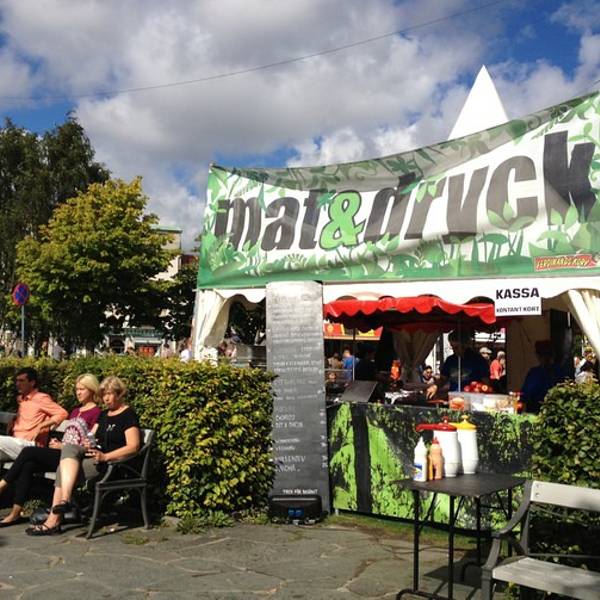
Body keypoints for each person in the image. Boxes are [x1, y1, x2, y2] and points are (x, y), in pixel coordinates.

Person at [26, 375, 141, 536]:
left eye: (109, 394)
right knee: (69, 451)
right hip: (95, 457)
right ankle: (64, 502)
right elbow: (91, 436)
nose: (106, 399)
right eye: (103, 395)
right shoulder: (104, 415)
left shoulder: (127, 415)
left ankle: (53, 521)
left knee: (61, 469)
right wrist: (89, 442)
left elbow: (133, 446)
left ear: (119, 393)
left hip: (113, 464)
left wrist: (106, 456)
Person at [0, 374, 101, 527]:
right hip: (62, 453)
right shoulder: (75, 411)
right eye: (77, 389)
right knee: (28, 465)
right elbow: (71, 436)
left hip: (73, 458)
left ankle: (2, 484)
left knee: (29, 452)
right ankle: (15, 513)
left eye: (82, 389)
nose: (78, 392)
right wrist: (59, 443)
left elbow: (90, 442)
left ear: (92, 390)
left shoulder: (97, 413)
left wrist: (62, 446)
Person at [0, 368, 68, 461]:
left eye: (21, 381)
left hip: (30, 445)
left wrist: (41, 425)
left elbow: (62, 413)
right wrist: (14, 419)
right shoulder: (21, 399)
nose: (17, 384)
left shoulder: (41, 398)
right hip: (15, 443)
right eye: (17, 381)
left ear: (32, 383)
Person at [427, 330, 490, 398]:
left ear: (465, 345)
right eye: (452, 347)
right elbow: (443, 379)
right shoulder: (450, 360)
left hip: (473, 398)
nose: (454, 350)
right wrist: (435, 386)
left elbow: (486, 382)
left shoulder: (478, 360)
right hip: (454, 398)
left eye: (456, 347)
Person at [521, 340, 565, 414]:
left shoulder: (534, 373)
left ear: (538, 355)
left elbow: (525, 395)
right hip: (557, 413)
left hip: (536, 412)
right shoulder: (561, 372)